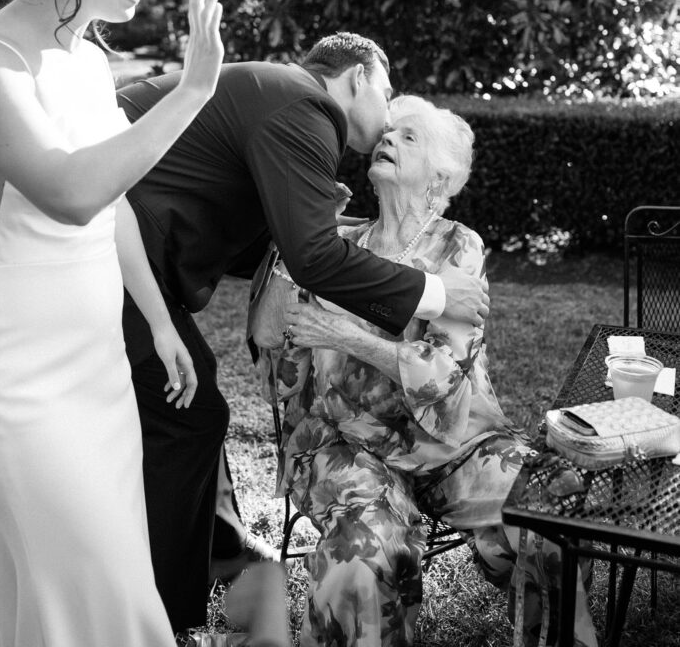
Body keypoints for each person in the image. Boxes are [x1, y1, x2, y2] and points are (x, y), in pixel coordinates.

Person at [117, 33, 491, 635]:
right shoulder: (303, 105)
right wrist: (437, 294)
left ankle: (219, 553)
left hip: (128, 239)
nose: (388, 125)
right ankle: (169, 607)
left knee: (190, 406)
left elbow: (263, 239)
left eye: (410, 133)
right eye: (388, 100)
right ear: (361, 76)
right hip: (112, 241)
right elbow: (307, 267)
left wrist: (299, 226)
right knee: (190, 412)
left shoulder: (276, 96)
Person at [250, 95, 598, 647]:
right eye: (387, 132)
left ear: (440, 176)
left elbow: (439, 372)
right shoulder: (334, 245)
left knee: (552, 499)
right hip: (348, 444)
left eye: (408, 136)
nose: (386, 139)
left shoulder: (459, 248)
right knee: (363, 548)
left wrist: (343, 336)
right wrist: (300, 231)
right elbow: (270, 334)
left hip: (454, 440)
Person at [0, 0, 225, 647]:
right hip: (20, 390)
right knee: (86, 593)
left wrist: (159, 325)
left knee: (86, 583)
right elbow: (67, 192)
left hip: (97, 377)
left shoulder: (89, 60)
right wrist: (193, 90)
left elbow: (114, 206)